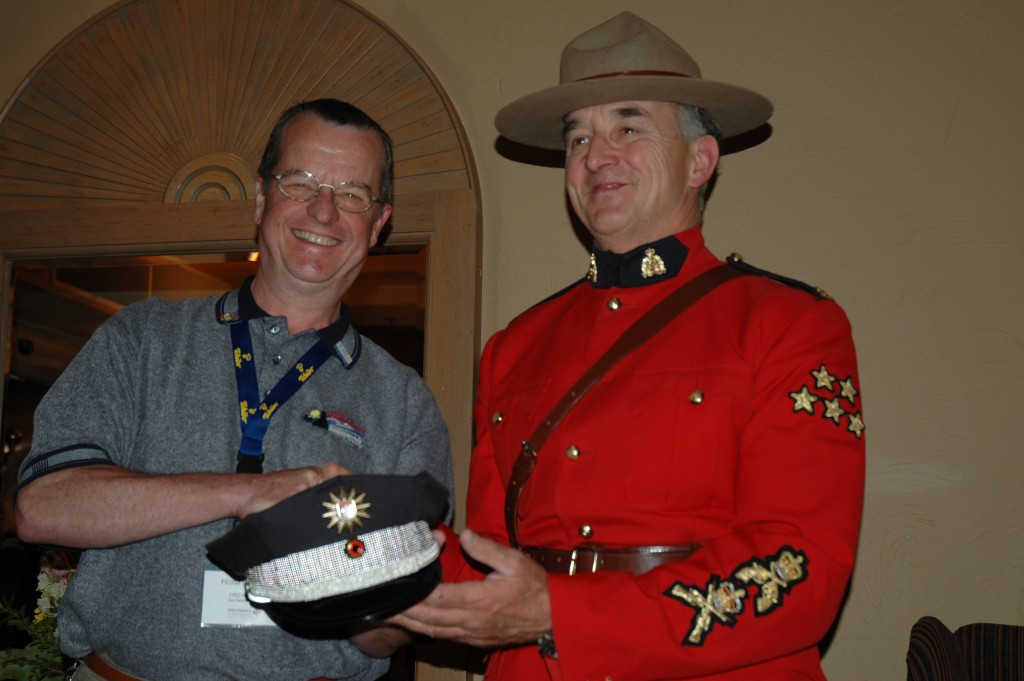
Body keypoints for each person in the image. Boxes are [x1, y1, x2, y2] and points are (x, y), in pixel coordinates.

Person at [391, 12, 865, 681]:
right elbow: (487, 556)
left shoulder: (788, 323)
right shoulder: (514, 345)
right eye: (578, 136)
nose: (594, 154)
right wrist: (370, 545)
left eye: (628, 126)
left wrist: (562, 612)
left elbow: (798, 569)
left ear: (700, 159)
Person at [15, 98, 453, 681]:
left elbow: (385, 636)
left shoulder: (405, 401)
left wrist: (380, 589)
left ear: (377, 224)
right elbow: (42, 507)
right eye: (300, 182)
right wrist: (249, 494)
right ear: (260, 197)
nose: (323, 212)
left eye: (352, 194)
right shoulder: (142, 340)